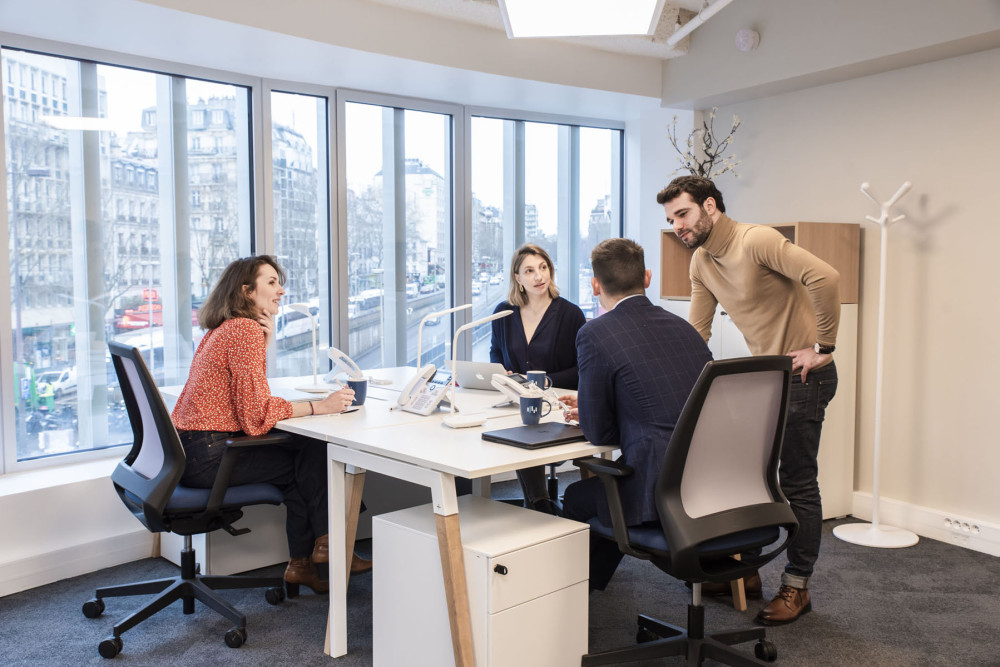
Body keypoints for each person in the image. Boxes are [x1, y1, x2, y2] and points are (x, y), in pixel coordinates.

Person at [657, 175, 841, 625]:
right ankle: (747, 573)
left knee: (796, 484)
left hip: (804, 376)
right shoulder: (701, 261)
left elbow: (825, 277)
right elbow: (697, 332)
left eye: (683, 214)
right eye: (670, 219)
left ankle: (797, 587)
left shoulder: (755, 240)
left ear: (710, 206)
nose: (677, 226)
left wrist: (824, 347)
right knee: (747, 477)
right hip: (767, 379)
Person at [171, 255, 367, 596]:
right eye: (272, 282)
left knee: (304, 453)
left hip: (189, 453)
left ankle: (303, 563)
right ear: (247, 291)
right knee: (312, 454)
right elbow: (255, 414)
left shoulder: (224, 329)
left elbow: (245, 403)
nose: (281, 290)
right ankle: (329, 545)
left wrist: (264, 346)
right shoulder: (244, 331)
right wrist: (319, 406)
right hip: (210, 456)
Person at [559, 238, 712, 591]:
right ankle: (591, 587)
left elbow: (599, 434)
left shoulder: (595, 333)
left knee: (577, 498)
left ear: (595, 285)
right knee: (601, 494)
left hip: (659, 493)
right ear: (647, 277)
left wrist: (593, 411)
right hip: (713, 484)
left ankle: (578, 596)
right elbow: (671, 399)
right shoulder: (685, 329)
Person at [489, 243, 586, 514]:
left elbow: (583, 368)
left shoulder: (570, 314)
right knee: (518, 428)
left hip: (560, 401)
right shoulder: (504, 312)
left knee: (527, 429)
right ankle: (539, 503)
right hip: (517, 400)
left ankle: (547, 505)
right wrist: (501, 373)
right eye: (529, 271)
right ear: (517, 278)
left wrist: (547, 382)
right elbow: (496, 352)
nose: (538, 276)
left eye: (543, 268)